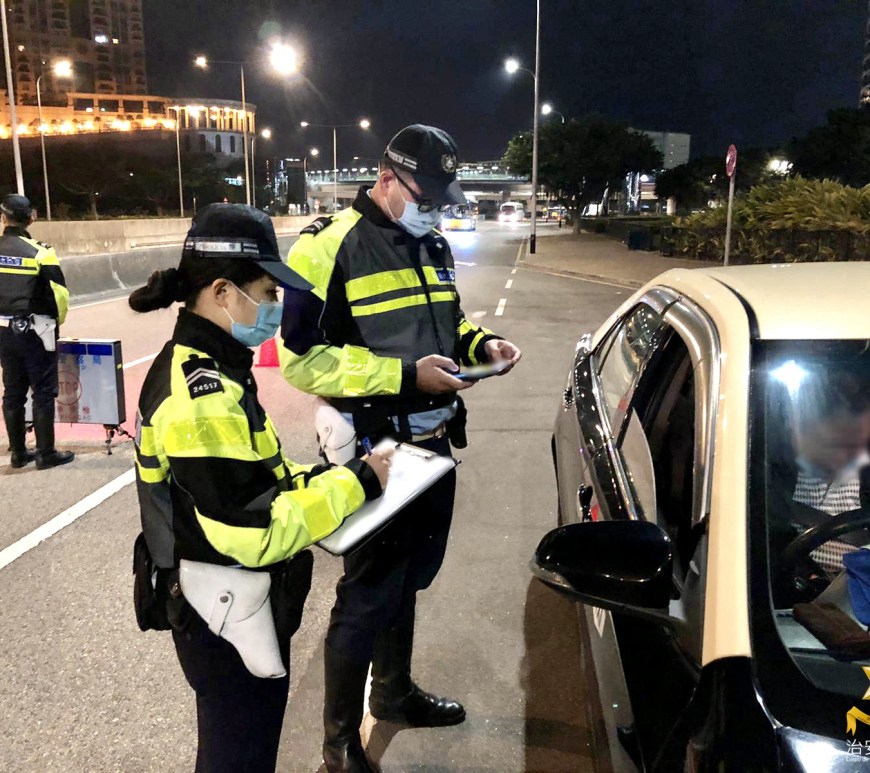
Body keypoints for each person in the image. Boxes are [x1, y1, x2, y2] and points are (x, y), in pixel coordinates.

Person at [279, 124, 522, 772]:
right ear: (387, 177)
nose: (434, 210)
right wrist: (407, 377)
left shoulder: (431, 243)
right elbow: (300, 360)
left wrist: (483, 345)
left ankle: (392, 691)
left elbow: (449, 322)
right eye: (425, 196)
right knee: (366, 595)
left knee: (408, 580)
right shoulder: (326, 246)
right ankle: (338, 743)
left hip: (435, 441)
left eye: (442, 198)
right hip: (375, 449)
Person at [129, 203, 392, 773]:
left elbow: (260, 476)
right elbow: (255, 532)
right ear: (223, 292)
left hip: (228, 605)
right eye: (269, 292)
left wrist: (329, 478)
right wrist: (356, 485)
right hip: (223, 615)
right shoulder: (201, 396)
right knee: (238, 756)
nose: (277, 307)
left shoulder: (216, 365)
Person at [0, 193, 73, 470]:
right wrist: (57, 323)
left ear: (3, 218)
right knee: (42, 391)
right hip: (36, 331)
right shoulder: (41, 252)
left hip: (3, 331)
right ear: (31, 219)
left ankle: (18, 453)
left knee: (12, 391)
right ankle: (45, 453)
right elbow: (59, 295)